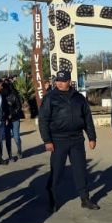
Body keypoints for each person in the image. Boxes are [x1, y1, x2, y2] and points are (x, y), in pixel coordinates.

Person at [38, 70, 99, 213]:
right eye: (57, 81)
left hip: (77, 139)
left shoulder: (79, 98)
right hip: (58, 140)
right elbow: (43, 120)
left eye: (63, 81)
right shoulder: (50, 98)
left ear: (69, 82)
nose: (59, 83)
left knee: (80, 170)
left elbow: (87, 118)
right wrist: (47, 140)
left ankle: (85, 199)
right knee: (57, 171)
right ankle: (52, 197)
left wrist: (92, 137)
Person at [3, 79, 24, 160]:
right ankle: (10, 154)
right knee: (7, 138)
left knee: (16, 137)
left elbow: (19, 107)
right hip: (6, 120)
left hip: (15, 119)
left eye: (4, 88)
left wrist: (12, 114)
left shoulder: (14, 95)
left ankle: (19, 150)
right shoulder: (1, 96)